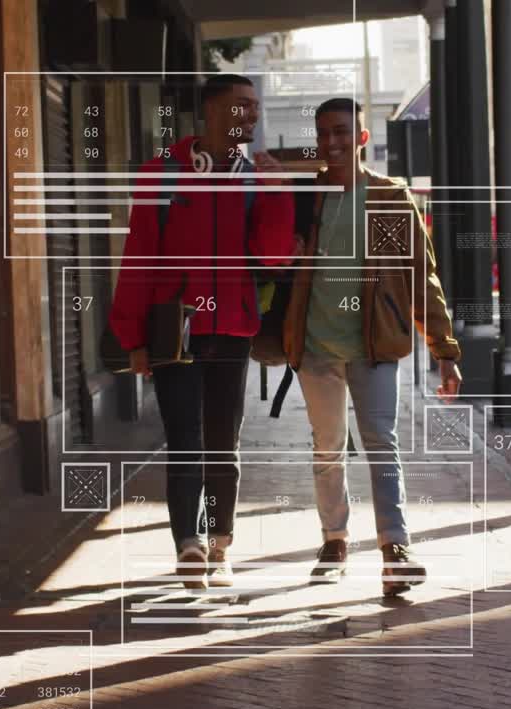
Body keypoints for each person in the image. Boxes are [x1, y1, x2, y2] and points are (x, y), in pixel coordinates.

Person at [109, 74, 295, 589]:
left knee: (222, 443)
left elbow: (273, 256)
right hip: (177, 333)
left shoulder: (257, 179)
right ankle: (187, 545)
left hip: (232, 328)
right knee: (185, 441)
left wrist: (279, 195)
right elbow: (138, 260)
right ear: (210, 111)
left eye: (255, 107)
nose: (251, 116)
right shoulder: (162, 174)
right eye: (241, 105)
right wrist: (133, 339)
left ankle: (220, 543)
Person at [283, 98, 462, 596]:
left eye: (342, 132)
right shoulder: (306, 199)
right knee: (328, 447)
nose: (332, 142)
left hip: (374, 344)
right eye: (324, 133)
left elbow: (418, 276)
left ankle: (395, 549)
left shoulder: (387, 199)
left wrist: (444, 349)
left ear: (361, 138)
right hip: (316, 344)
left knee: (382, 445)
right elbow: (270, 258)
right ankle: (335, 539)